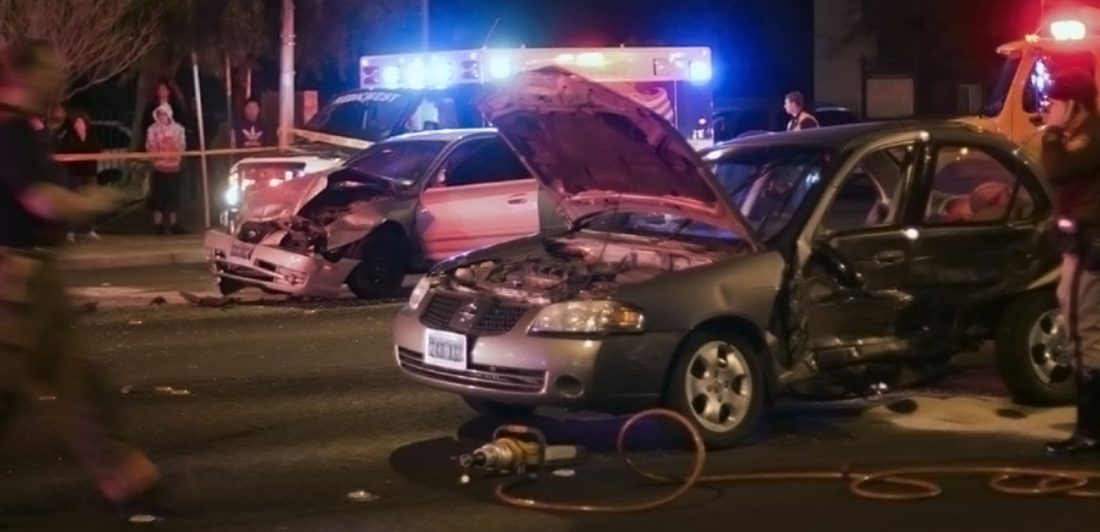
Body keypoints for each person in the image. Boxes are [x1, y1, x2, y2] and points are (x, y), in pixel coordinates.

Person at [0, 39, 170, 520]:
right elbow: (43, 201)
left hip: (32, 276)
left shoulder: (21, 129)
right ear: (27, 74)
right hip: (18, 281)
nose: (58, 81)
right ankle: (127, 478)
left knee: (73, 379)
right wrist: (100, 202)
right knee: (49, 382)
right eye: (52, 72)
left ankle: (127, 479)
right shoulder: (11, 131)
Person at [1041, 69, 1100, 455]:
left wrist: (1051, 132)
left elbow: (1056, 169)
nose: (1049, 110)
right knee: (1080, 325)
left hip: (1092, 241)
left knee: (1085, 331)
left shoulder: (1092, 134)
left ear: (1073, 105)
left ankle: (1091, 431)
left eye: (1056, 103)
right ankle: (1090, 429)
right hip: (1080, 240)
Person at [57, 111, 103, 241]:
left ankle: (88, 229)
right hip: (74, 173)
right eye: (76, 123)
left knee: (88, 202)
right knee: (74, 202)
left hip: (89, 173)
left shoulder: (91, 136)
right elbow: (64, 151)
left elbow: (97, 149)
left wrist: (84, 137)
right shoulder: (69, 137)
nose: (78, 125)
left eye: (81, 122)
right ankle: (70, 231)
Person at [145, 103, 186, 235]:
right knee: (159, 197)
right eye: (159, 114)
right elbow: (150, 146)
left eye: (164, 114)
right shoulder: (152, 129)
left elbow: (181, 145)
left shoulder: (178, 129)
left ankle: (174, 224)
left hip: (173, 168)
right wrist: (157, 158)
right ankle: (158, 224)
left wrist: (174, 154)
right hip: (159, 168)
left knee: (173, 196)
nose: (161, 117)